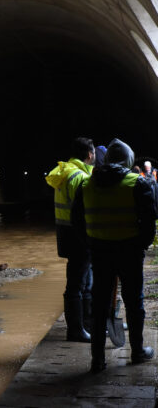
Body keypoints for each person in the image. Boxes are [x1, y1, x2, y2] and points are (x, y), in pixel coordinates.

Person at [72, 138, 156, 373]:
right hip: (129, 251)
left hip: (100, 252)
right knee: (134, 302)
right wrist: (140, 245)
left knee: (100, 304)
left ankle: (97, 360)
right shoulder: (137, 184)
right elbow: (150, 222)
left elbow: (76, 221)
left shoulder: (87, 185)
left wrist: (90, 242)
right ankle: (137, 351)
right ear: (129, 160)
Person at [46, 137, 95, 342]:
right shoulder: (79, 177)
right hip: (78, 236)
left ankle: (84, 325)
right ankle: (76, 330)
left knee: (81, 281)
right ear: (89, 154)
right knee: (77, 284)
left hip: (65, 234)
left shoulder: (64, 173)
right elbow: (85, 211)